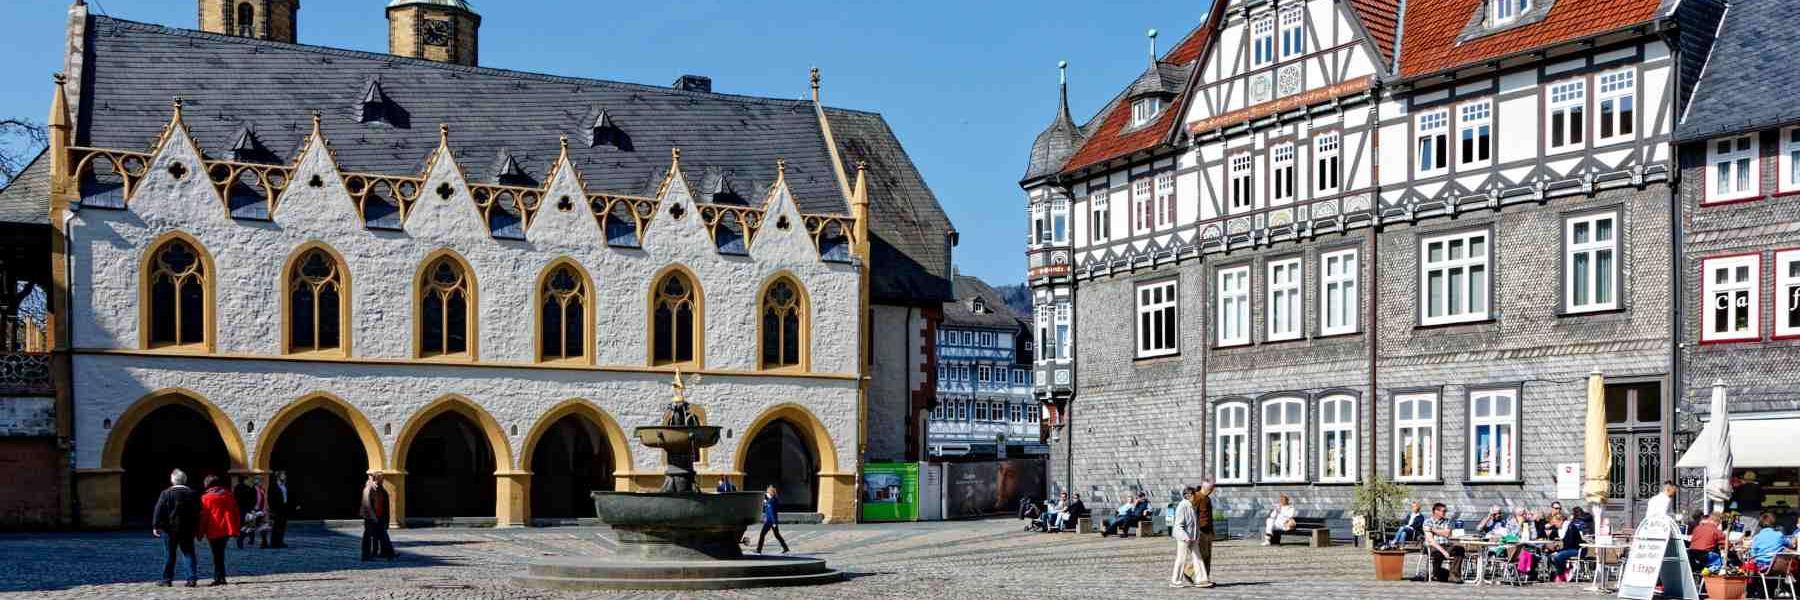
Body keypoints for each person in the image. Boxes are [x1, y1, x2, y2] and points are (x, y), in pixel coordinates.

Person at [152, 469, 202, 587]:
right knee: (188, 553)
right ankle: (191, 579)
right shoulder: (192, 493)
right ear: (185, 480)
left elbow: (158, 510)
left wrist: (156, 525)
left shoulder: (166, 493)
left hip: (169, 529)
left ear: (172, 480)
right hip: (187, 529)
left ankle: (167, 579)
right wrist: (196, 526)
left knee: (169, 554)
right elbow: (198, 512)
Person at [196, 475, 242, 586]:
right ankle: (221, 577)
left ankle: (219, 578)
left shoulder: (206, 498)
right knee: (220, 554)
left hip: (213, 530)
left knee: (216, 555)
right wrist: (236, 528)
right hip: (226, 530)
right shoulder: (228, 495)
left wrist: (200, 533)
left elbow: (204, 517)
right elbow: (235, 512)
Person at [1169, 486, 1207, 588]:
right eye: (1194, 495)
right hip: (1183, 537)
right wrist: (1185, 537)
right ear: (1189, 495)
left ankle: (1201, 580)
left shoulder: (1192, 505)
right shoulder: (1183, 506)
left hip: (1193, 537)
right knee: (1181, 558)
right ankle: (1175, 581)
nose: (1196, 497)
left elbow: (1194, 524)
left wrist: (1196, 536)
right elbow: (1178, 525)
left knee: (1198, 557)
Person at [1424, 503, 1465, 583]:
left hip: (1446, 545)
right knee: (1438, 555)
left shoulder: (1446, 521)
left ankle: (1453, 575)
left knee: (1459, 549)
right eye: (1444, 511)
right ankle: (1437, 573)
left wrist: (1433, 529)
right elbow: (1431, 540)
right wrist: (1443, 551)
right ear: (1436, 511)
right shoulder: (1427, 522)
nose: (1445, 512)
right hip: (1433, 547)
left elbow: (1447, 533)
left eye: (1445, 511)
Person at [360, 471, 395, 561]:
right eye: (381, 478)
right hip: (370, 518)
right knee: (368, 536)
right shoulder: (369, 489)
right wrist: (372, 517)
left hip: (380, 517)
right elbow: (367, 505)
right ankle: (366, 555)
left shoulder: (381, 490)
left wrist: (386, 520)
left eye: (382, 478)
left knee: (381, 535)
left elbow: (385, 506)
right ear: (376, 478)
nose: (382, 480)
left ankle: (385, 553)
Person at [1193, 481, 1216, 587]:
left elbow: (1210, 517)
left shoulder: (1207, 498)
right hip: (1200, 530)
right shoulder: (1197, 497)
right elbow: (1192, 514)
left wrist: (1212, 531)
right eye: (1210, 489)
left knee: (1208, 556)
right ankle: (1198, 577)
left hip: (1207, 530)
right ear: (1204, 487)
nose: (1211, 491)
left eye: (1212, 489)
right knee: (1202, 555)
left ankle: (1205, 577)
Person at [1549, 512, 1584, 582]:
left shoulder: (1570, 527)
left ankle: (1561, 574)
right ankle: (1564, 571)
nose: (1554, 524)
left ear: (1561, 521)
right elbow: (1551, 535)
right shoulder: (1561, 529)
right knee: (1550, 556)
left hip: (1576, 549)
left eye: (1555, 522)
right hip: (1568, 549)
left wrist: (1558, 551)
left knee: (1557, 556)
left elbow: (1570, 544)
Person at [756, 485, 789, 554]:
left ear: (770, 493)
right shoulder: (771, 500)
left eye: (767, 492)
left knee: (762, 535)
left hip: (770, 521)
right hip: (770, 521)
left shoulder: (771, 501)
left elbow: (772, 512)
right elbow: (766, 510)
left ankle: (758, 550)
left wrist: (774, 523)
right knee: (777, 535)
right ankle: (785, 548)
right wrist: (765, 503)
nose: (766, 493)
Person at [267, 471, 291, 548]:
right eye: (283, 475)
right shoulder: (273, 486)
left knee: (283, 526)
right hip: (277, 508)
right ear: (278, 476)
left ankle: (280, 541)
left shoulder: (285, 485)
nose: (284, 476)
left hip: (284, 508)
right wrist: (272, 509)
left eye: (285, 475)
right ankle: (274, 543)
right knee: (276, 526)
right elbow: (270, 498)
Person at [231, 476, 256, 549]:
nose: (249, 481)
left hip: (249, 509)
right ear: (244, 480)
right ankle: (240, 539)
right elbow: (238, 498)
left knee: (250, 525)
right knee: (246, 525)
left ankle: (250, 539)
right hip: (243, 509)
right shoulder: (240, 488)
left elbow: (254, 498)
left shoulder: (250, 487)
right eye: (248, 480)